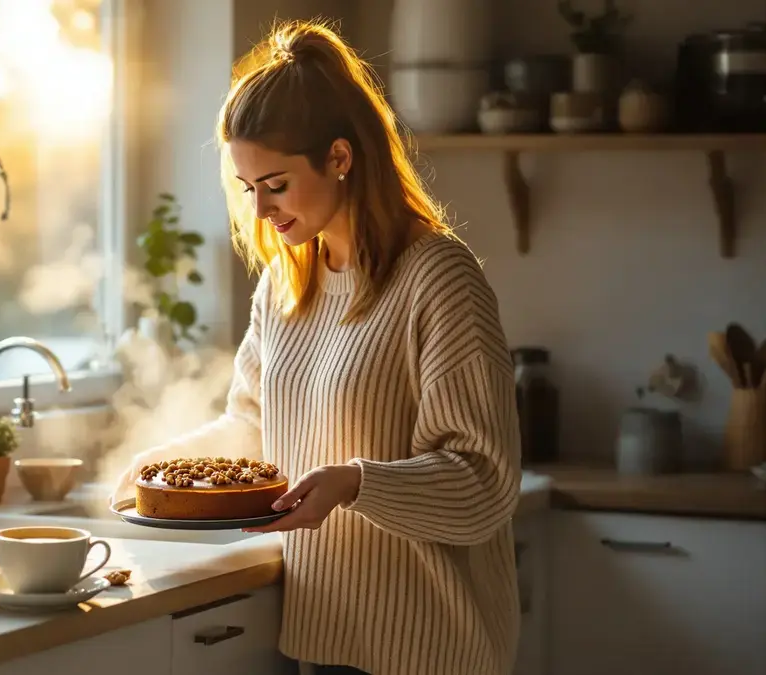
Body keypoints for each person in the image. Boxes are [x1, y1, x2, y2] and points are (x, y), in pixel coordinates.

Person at [110, 18, 522, 675]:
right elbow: (253, 424)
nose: (262, 210)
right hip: (324, 640)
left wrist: (358, 482)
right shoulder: (284, 285)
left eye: (275, 184)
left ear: (340, 156)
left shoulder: (437, 276)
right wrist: (170, 465)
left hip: (430, 649)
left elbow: (484, 482)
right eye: (249, 189)